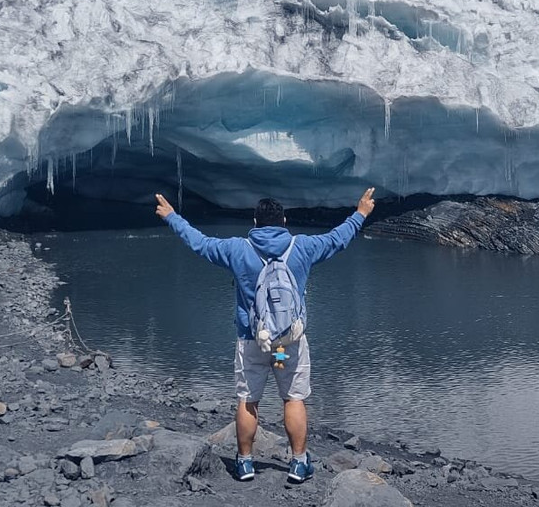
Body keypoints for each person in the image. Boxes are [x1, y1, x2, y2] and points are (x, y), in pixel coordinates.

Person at [154, 187, 376, 484]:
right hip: (288, 343)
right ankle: (298, 463)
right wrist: (361, 212)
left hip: (252, 340)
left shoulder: (237, 248)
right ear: (284, 221)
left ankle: (245, 463)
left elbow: (200, 244)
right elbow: (338, 239)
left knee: (248, 400)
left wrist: (172, 217)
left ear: (255, 223)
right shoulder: (302, 247)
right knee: (293, 398)